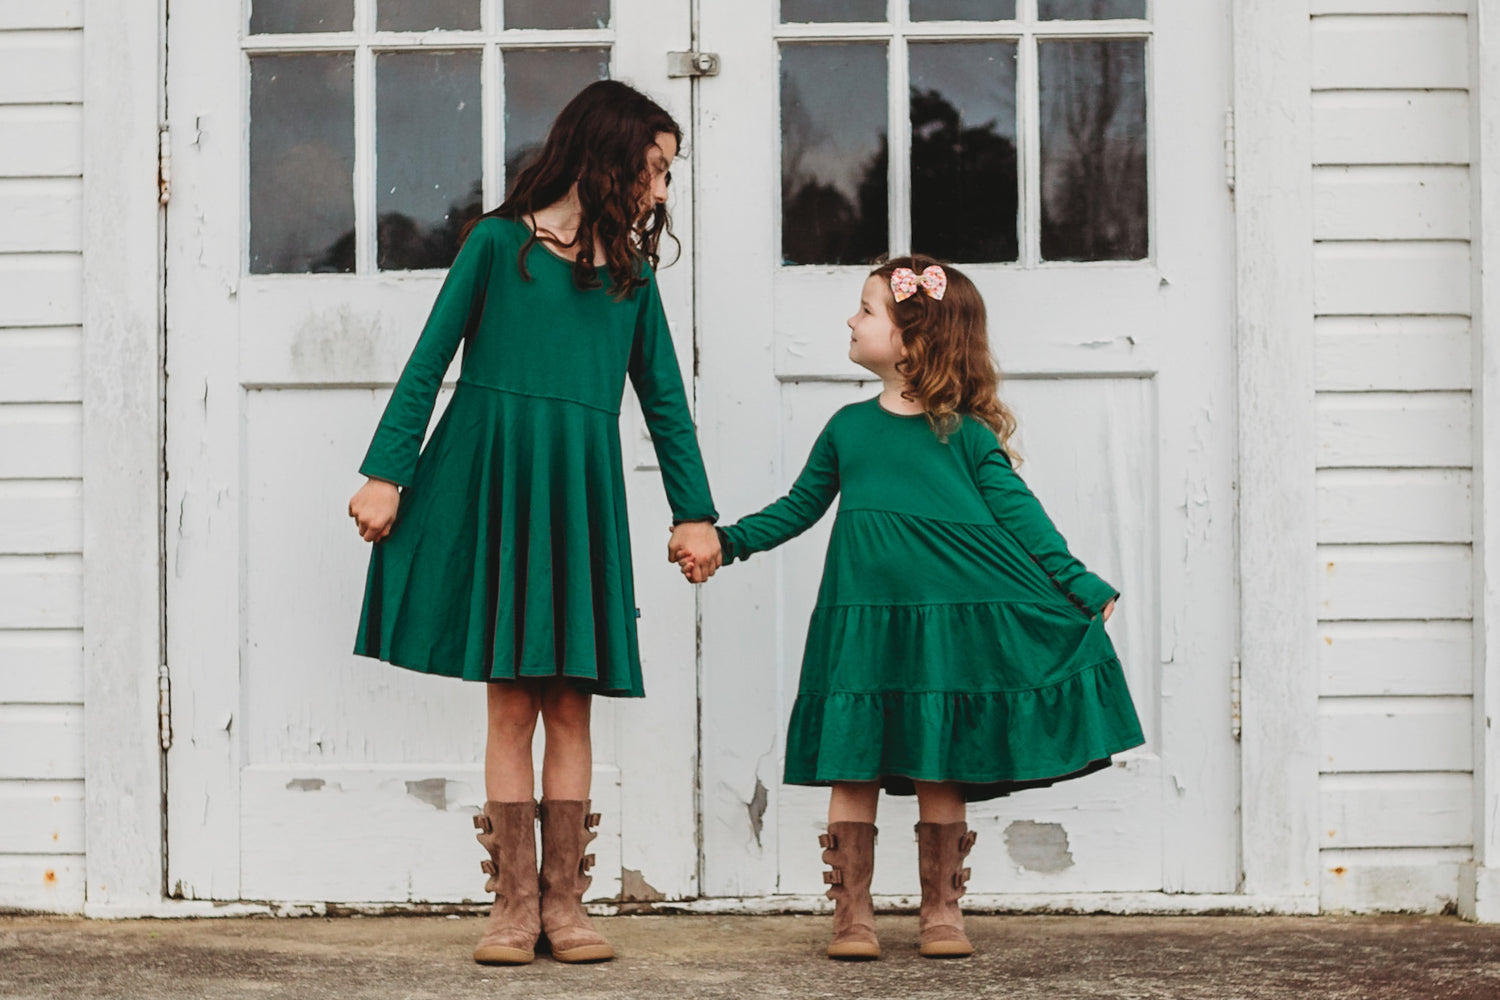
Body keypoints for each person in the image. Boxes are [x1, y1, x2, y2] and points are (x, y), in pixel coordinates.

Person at [348, 80, 722, 966]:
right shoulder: (494, 247)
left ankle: (566, 906)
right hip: (497, 482)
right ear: (610, 151)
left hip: (578, 493)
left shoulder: (630, 283)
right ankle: (513, 907)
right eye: (657, 168)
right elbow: (428, 359)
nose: (663, 191)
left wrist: (696, 513)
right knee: (512, 703)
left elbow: (666, 405)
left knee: (572, 705)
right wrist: (385, 472)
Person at [675, 256, 1143, 960]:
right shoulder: (847, 429)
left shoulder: (968, 437)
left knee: (937, 759)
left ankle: (941, 909)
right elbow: (798, 509)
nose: (850, 320)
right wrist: (727, 542)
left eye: (865, 310)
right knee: (853, 761)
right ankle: (852, 914)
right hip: (862, 618)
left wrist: (1079, 585)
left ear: (910, 339)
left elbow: (1023, 520)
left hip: (942, 627)